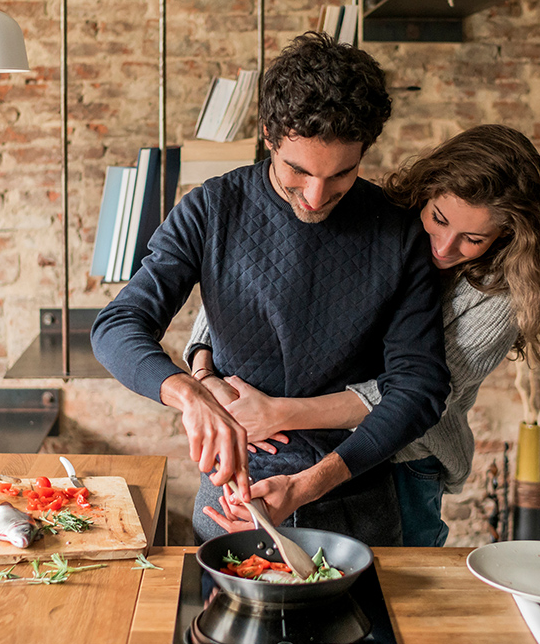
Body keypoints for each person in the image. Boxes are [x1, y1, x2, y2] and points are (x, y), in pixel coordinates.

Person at [90, 31, 450, 546]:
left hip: (357, 495)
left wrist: (308, 486)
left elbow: (419, 388)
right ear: (268, 135)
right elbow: (117, 326)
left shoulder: (397, 232)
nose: (316, 196)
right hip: (235, 497)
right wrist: (190, 393)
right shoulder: (212, 209)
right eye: (297, 171)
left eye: (341, 174)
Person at [190, 124, 540, 546]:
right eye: (439, 219)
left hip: (407, 460)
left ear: (506, 235)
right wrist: (203, 370)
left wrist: (278, 413)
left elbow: (412, 396)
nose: (444, 247)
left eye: (472, 239)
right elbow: (245, 289)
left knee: (395, 593)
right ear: (427, 193)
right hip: (300, 440)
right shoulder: (379, 223)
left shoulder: (501, 300)